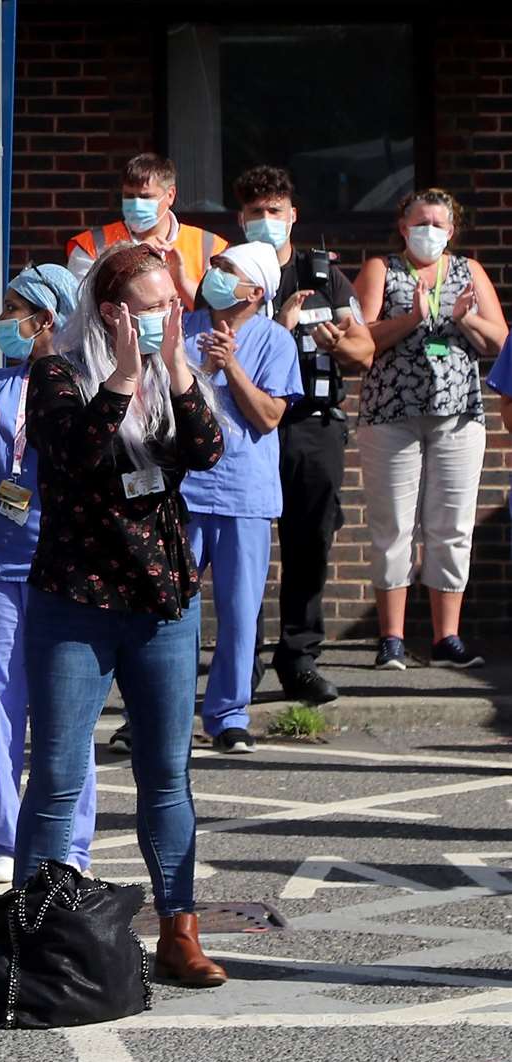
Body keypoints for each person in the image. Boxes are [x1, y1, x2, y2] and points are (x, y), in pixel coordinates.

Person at [13, 241, 228, 988]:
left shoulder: (174, 375)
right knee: (59, 776)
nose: (169, 316)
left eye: (174, 303)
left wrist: (171, 369)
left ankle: (179, 930)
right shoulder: (57, 369)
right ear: (110, 311)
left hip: (161, 598)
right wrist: (123, 378)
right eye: (151, 306)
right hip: (76, 600)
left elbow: (206, 450)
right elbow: (72, 454)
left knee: (166, 775)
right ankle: (35, 940)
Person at [0, 263, 96, 885]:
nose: (6, 320)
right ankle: (4, 838)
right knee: (0, 707)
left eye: (16, 309)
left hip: (66, 565)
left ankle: (70, 845)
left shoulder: (86, 383)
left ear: (49, 319)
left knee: (69, 708)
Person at [235, 166, 375, 705]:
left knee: (310, 539)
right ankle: (240, 662)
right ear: (240, 218)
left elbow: (363, 350)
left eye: (275, 211)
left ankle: (298, 656)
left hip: (311, 423)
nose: (265, 221)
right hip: (247, 423)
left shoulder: (322, 275)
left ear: (293, 215)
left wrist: (339, 342)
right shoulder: (230, 274)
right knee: (241, 548)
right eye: (255, 212)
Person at [354, 189, 507, 671]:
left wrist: (466, 319)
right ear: (403, 226)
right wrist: (412, 318)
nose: (429, 232)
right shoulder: (381, 269)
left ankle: (447, 638)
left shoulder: (469, 272)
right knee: (393, 526)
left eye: (439, 224)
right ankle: (392, 638)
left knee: (452, 527)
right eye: (420, 222)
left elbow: (501, 341)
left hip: (458, 415)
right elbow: (359, 340)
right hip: (390, 414)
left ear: (452, 230)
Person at [178, 242, 301, 755]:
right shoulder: (179, 330)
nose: (213, 273)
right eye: (215, 267)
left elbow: (270, 416)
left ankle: (228, 714)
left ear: (254, 290)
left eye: (226, 270)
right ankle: (157, 712)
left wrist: (231, 367)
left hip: (244, 494)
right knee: (168, 609)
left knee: (239, 610)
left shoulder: (275, 341)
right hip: (182, 490)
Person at [65, 153, 228, 311]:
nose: (136, 204)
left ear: (170, 195)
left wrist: (181, 282)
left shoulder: (210, 245)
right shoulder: (92, 245)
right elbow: (81, 310)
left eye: (145, 197)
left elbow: (217, 314)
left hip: (188, 337)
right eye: (129, 196)